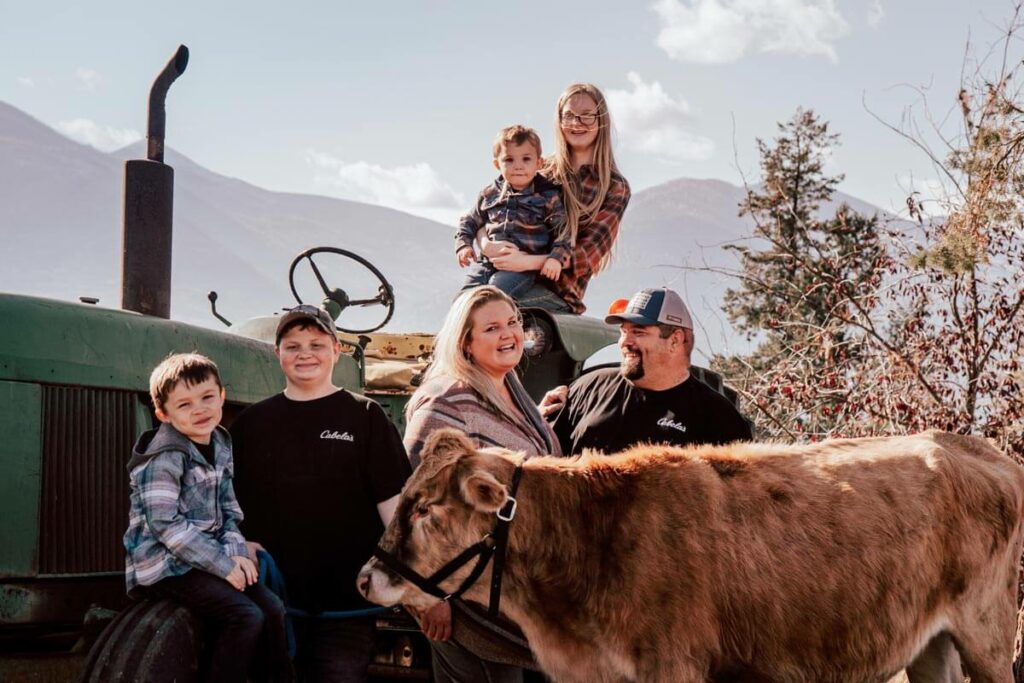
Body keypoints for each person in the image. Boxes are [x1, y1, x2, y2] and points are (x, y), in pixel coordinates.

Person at [230, 305, 413, 683]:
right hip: (269, 602)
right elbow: (226, 503)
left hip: (344, 607)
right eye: (293, 346)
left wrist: (408, 580)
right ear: (276, 353)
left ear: (336, 349)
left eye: (316, 344)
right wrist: (239, 542)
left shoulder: (365, 416)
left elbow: (394, 510)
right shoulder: (251, 424)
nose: (305, 354)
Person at [404, 286, 561, 683]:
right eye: (491, 328)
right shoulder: (446, 404)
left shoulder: (513, 392)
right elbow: (415, 507)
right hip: (465, 602)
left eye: (513, 323)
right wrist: (429, 597)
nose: (509, 334)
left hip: (515, 594)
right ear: (466, 343)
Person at [124, 352, 289, 683]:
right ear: (163, 414)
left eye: (206, 397)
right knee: (244, 615)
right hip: (167, 565)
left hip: (208, 558)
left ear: (221, 396)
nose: (199, 409)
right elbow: (164, 526)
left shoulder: (219, 442)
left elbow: (229, 512)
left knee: (272, 609)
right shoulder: (165, 458)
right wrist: (224, 565)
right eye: (183, 405)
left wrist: (236, 554)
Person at [543, 287, 753, 454]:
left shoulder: (718, 418)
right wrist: (534, 419)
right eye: (623, 332)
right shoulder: (586, 389)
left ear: (675, 340)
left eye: (639, 332)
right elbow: (543, 462)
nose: (625, 341)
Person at [486, 83, 631, 315]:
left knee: (487, 303)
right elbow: (491, 207)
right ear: (559, 120)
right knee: (469, 299)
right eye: (569, 115)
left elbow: (586, 256)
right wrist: (486, 243)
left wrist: (527, 262)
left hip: (557, 293)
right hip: (510, 274)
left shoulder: (614, 187)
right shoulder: (541, 170)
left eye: (587, 116)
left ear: (601, 120)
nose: (576, 123)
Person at [456, 124, 569, 300]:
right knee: (463, 299)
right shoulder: (489, 194)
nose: (518, 166)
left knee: (494, 296)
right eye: (509, 160)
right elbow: (470, 221)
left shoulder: (548, 197)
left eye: (526, 159)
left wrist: (555, 258)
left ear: (539, 163)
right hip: (487, 263)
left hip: (521, 269)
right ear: (497, 164)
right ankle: (463, 326)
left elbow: (564, 233)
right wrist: (464, 245)